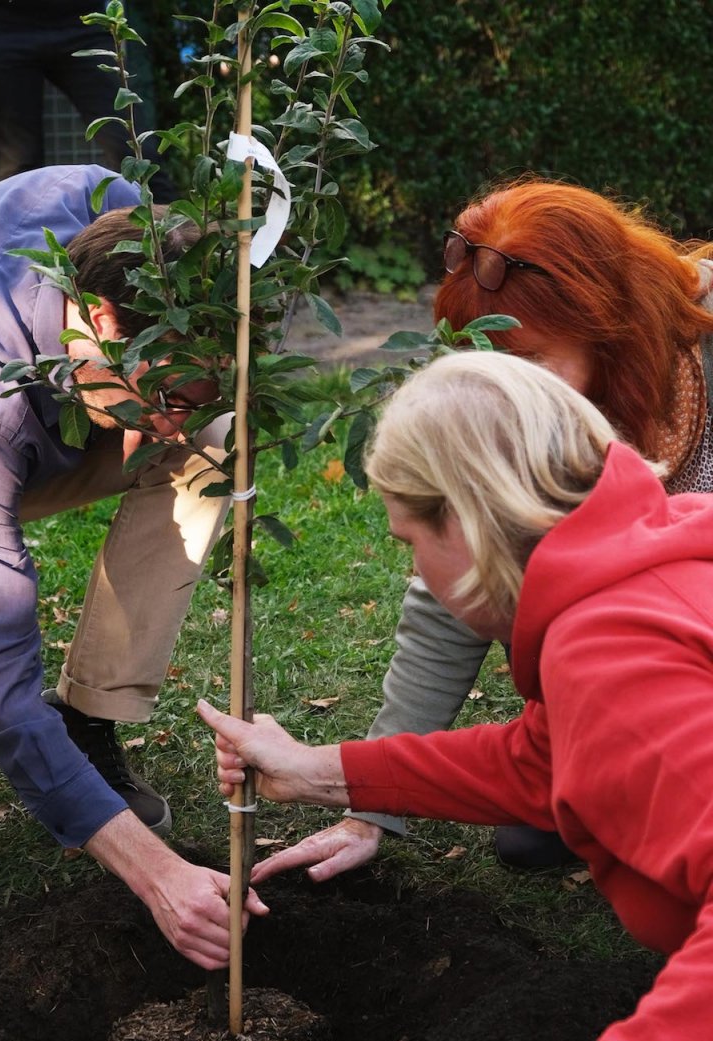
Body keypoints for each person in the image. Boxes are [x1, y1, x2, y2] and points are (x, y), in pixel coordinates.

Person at [198, 350, 713, 1041]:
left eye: (408, 539)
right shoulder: (657, 556)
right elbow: (548, 758)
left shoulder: (610, 652)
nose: (412, 571)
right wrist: (322, 772)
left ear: (468, 524)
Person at [255, 178, 713, 883]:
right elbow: (453, 590)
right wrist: (365, 806)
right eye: (479, 356)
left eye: (525, 359)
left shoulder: (696, 357)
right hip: (624, 684)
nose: (501, 383)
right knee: (541, 830)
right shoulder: (519, 407)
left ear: (604, 322)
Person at [0, 162, 267, 966]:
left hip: (17, 421)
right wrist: (159, 877)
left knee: (217, 447)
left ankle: (88, 716)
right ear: (102, 320)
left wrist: (174, 411)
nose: (170, 428)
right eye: (168, 398)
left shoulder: (128, 228)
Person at [0, 0, 175, 200]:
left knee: (135, 152)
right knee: (19, 166)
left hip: (82, 24)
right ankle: (24, 244)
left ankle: (173, 242)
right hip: (1, 27)